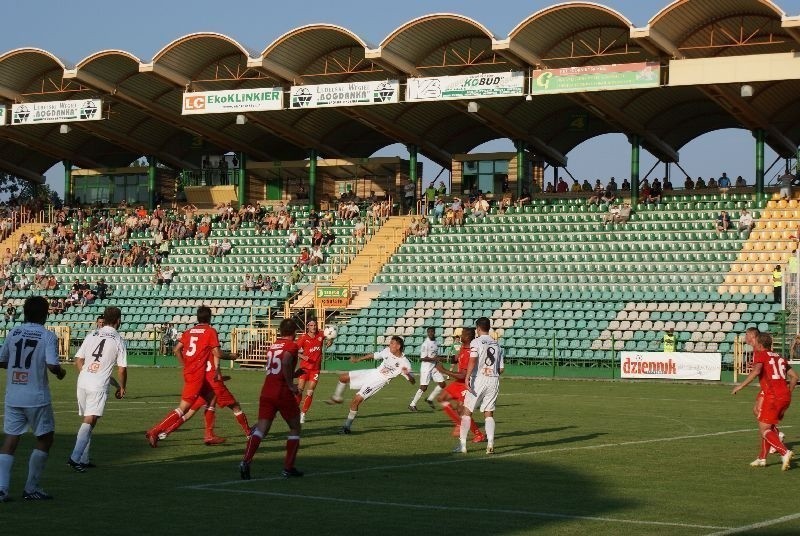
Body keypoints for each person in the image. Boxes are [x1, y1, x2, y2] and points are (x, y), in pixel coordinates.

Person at [145, 306, 250, 447]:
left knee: (211, 398)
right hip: (196, 376)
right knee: (183, 409)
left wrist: (185, 365)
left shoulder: (189, 332)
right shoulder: (210, 331)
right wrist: (232, 355)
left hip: (192, 373)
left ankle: (209, 435)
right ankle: (155, 431)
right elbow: (217, 353)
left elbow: (176, 349)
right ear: (210, 318)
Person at [0, 296, 67, 501]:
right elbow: (52, 364)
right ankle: (31, 488)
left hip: (13, 395)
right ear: (45, 314)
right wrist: (60, 373)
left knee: (11, 439)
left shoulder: (14, 333)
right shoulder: (47, 336)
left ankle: (2, 488)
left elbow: (2, 361)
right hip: (37, 396)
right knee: (45, 438)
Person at [239, 319, 302, 480]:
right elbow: (286, 361)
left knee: (261, 429)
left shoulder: (273, 345)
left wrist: (292, 375)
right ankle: (288, 467)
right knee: (295, 427)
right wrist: (290, 384)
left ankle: (246, 461)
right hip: (282, 391)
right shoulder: (291, 346)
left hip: (267, 390)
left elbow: (278, 368)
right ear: (294, 332)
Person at [67, 306, 127, 472]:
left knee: (88, 421)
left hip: (83, 381)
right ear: (118, 320)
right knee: (90, 420)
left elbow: (78, 360)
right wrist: (122, 386)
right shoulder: (118, 339)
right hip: (98, 384)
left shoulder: (92, 334)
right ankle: (74, 458)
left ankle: (84, 459)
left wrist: (87, 373)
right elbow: (122, 369)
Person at [732, 331, 797, 469]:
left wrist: (740, 386)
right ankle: (762, 458)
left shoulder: (761, 354)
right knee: (767, 425)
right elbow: (795, 377)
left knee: (765, 429)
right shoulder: (780, 357)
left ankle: (784, 452)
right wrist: (788, 392)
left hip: (772, 396)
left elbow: (756, 371)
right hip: (785, 396)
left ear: (759, 344)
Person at [325, 336, 415, 434]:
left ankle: (346, 427)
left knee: (356, 400)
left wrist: (408, 374)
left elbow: (413, 381)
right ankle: (337, 397)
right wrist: (358, 359)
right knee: (343, 377)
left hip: (379, 381)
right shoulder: (387, 351)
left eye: (392, 343)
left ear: (398, 346)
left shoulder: (405, 363)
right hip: (373, 373)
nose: (389, 345)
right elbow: (373, 355)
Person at [455, 317, 503, 455]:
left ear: (478, 328)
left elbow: (473, 359)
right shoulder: (496, 344)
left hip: (479, 379)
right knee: (489, 413)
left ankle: (463, 445)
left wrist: (468, 376)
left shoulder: (476, 342)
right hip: (493, 379)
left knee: (467, 412)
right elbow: (501, 369)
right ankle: (490, 444)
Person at [434, 328, 485, 442]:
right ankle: (460, 423)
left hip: (467, 383)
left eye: (461, 334)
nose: (459, 336)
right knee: (442, 398)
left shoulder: (470, 351)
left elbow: (463, 375)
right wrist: (442, 358)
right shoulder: (463, 347)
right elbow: (457, 359)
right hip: (459, 382)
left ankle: (479, 434)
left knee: (462, 410)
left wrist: (444, 371)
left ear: (467, 337)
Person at [295, 320, 331, 424]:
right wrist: (302, 356)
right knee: (300, 390)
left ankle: (303, 414)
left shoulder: (320, 334)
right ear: (308, 327)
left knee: (310, 392)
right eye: (311, 325)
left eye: (315, 325)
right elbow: (294, 350)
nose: (314, 327)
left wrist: (330, 340)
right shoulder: (303, 338)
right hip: (304, 369)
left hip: (315, 370)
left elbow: (331, 333)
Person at [408, 327, 447, 412]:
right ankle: (412, 404)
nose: (431, 333)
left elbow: (434, 355)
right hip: (426, 368)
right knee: (424, 387)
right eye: (429, 332)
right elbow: (422, 358)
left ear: (434, 332)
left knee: (443, 384)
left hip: (434, 367)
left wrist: (439, 359)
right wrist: (435, 360)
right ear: (427, 333)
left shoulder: (435, 342)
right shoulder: (425, 344)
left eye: (432, 332)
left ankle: (430, 399)